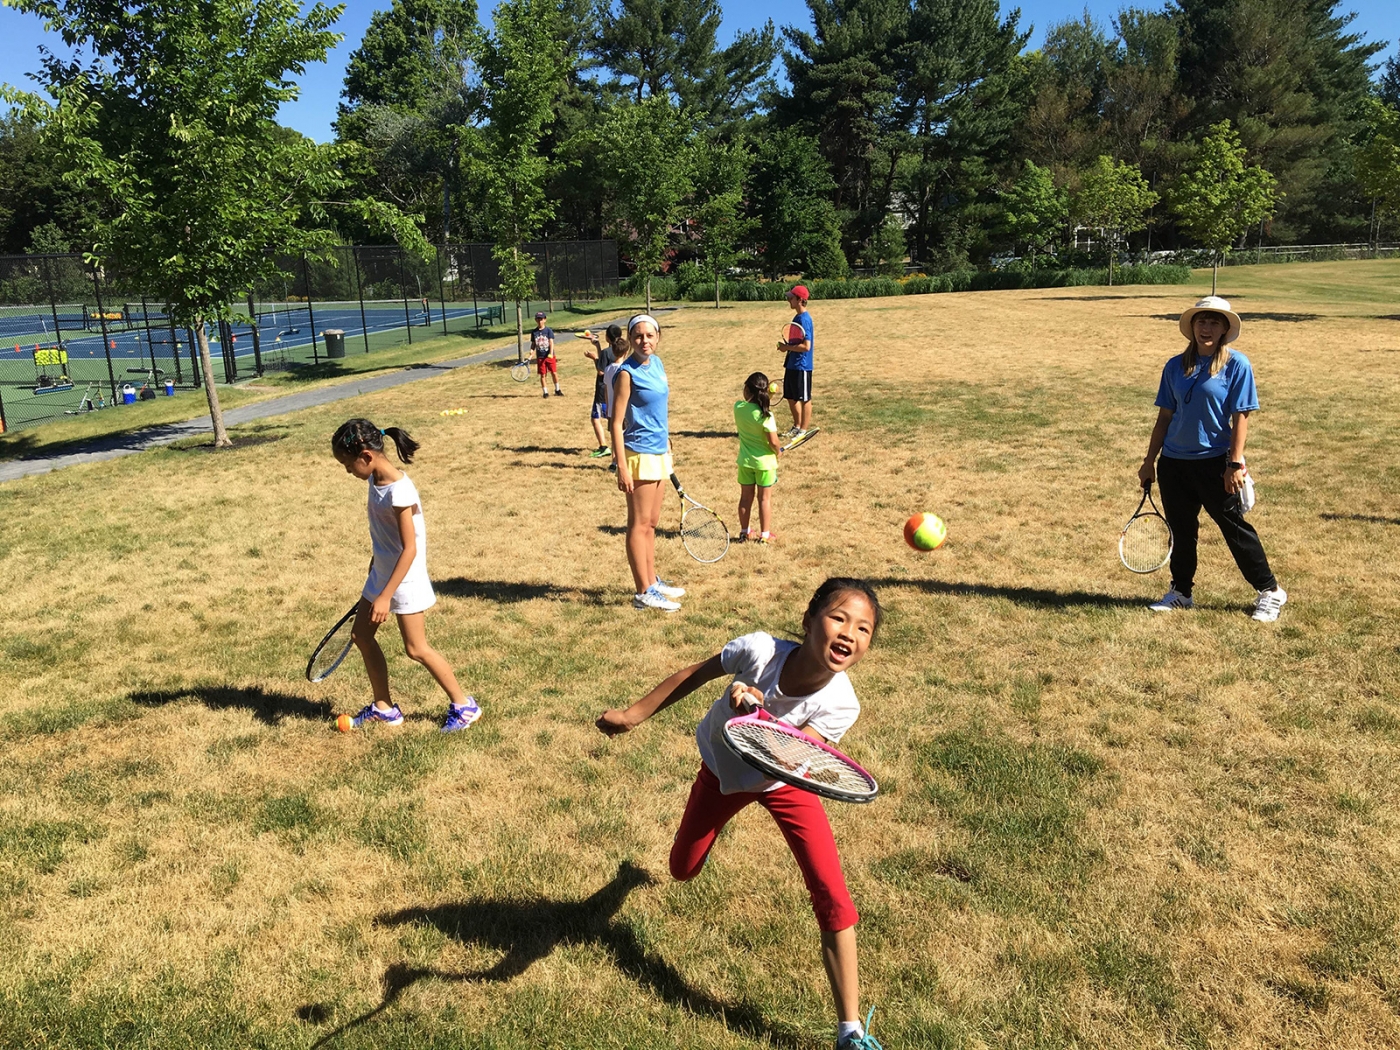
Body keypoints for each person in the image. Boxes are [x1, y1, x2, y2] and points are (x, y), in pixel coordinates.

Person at [595, 577, 886, 1050]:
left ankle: (850, 1030)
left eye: (864, 628)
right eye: (838, 618)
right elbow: (696, 673)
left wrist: (758, 714)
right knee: (682, 869)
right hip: (721, 773)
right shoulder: (759, 651)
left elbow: (795, 756)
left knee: (832, 894)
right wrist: (632, 714)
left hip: (783, 784)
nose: (849, 633)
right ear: (809, 621)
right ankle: (632, 877)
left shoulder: (841, 702)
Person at [1138, 296, 1287, 622]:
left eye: (1214, 323)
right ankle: (1181, 592)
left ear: (1224, 330)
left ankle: (1270, 590)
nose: (1207, 328)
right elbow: (1165, 417)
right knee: (1181, 530)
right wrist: (1149, 461)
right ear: (1192, 326)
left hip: (1215, 462)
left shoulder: (1237, 365)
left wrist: (1234, 464)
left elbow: (1241, 418)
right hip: (1174, 463)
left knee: (1233, 529)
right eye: (1201, 321)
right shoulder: (1175, 365)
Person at [331, 418, 482, 732]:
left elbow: (410, 548)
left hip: (404, 580)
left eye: (348, 465)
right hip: (382, 574)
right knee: (361, 635)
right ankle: (384, 707)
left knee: (416, 648)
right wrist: (376, 565)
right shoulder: (376, 480)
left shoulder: (400, 490)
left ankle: (463, 705)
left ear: (366, 457)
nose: (348, 471)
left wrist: (386, 595)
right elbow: (387, 535)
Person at [610, 313, 686, 612]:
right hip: (638, 454)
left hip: (658, 452)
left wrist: (666, 442)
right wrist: (621, 466)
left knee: (651, 524)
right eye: (638, 336)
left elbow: (658, 409)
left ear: (658, 337)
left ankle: (652, 580)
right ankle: (643, 592)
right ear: (630, 340)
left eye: (650, 335)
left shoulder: (657, 364)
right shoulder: (626, 373)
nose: (644, 341)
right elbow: (616, 423)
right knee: (638, 524)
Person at [734, 371, 783, 543]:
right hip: (765, 464)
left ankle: (744, 531)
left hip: (745, 462)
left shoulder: (738, 408)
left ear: (747, 389)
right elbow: (774, 442)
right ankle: (765, 535)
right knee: (764, 499)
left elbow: (751, 404)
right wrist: (779, 451)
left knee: (745, 498)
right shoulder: (767, 416)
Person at [776, 284, 814, 439]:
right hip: (792, 364)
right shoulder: (796, 317)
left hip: (802, 366)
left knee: (804, 398)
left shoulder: (805, 319)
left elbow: (806, 346)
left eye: (791, 298)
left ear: (800, 300)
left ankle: (803, 430)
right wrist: (787, 348)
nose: (788, 300)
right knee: (791, 397)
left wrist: (787, 347)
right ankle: (796, 426)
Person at [584, 323, 625, 458]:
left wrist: (594, 357)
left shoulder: (608, 352)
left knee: (595, 418)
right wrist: (597, 346)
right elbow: (606, 359)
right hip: (617, 389)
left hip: (603, 389)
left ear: (607, 337)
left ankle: (603, 447)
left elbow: (601, 370)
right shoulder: (620, 350)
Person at [531, 311, 561, 399]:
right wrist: (531, 351)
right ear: (535, 320)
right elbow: (533, 344)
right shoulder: (534, 332)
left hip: (549, 356)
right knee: (543, 374)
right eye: (538, 319)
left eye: (541, 319)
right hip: (540, 356)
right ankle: (545, 392)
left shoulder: (548, 330)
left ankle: (557, 389)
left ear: (545, 320)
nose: (540, 321)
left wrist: (551, 353)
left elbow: (551, 342)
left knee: (554, 373)